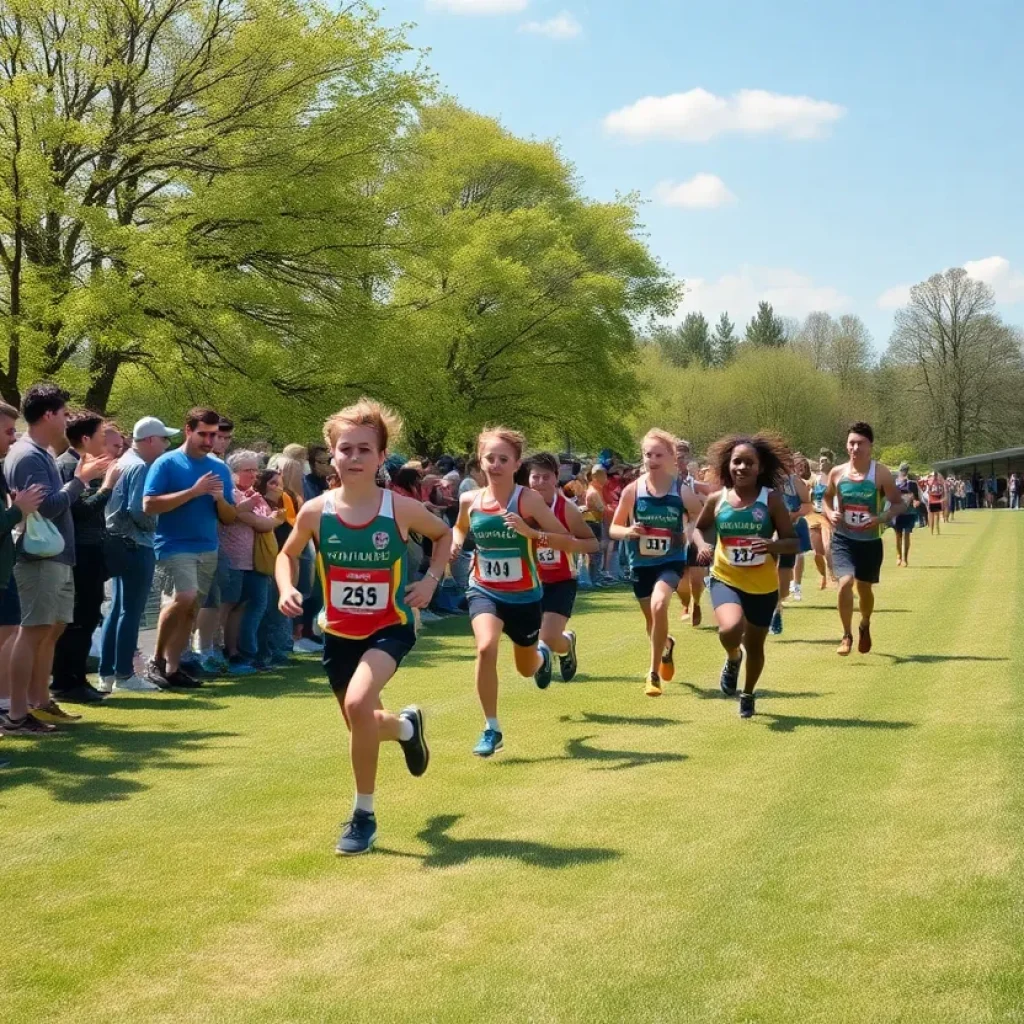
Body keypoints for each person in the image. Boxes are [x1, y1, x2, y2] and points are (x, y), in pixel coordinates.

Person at [277, 399, 451, 856]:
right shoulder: (316, 511)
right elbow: (286, 554)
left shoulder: (401, 509)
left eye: (364, 450)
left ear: (380, 457)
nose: (353, 458)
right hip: (338, 631)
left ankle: (363, 816)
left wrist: (431, 580)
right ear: (331, 455)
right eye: (345, 449)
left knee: (358, 703)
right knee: (360, 721)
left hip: (390, 627)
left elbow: (443, 535)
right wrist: (284, 588)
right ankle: (407, 729)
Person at [453, 427, 576, 758]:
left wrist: (531, 532)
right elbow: (461, 527)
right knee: (485, 646)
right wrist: (454, 543)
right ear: (480, 461)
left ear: (516, 463)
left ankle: (546, 654)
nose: (495, 465)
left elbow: (565, 539)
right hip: (484, 589)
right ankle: (491, 727)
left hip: (524, 597)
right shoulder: (470, 499)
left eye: (503, 459)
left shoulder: (528, 500)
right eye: (489, 458)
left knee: (526, 667)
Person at [4, 384, 110, 727]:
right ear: (49, 414)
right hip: (38, 558)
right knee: (31, 631)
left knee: (51, 628)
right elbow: (46, 508)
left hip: (55, 557)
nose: (67, 420)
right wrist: (81, 480)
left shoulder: (41, 453)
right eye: (64, 413)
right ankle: (18, 712)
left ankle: (40, 699)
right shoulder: (29, 455)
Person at [693, 434, 798, 718]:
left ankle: (749, 693)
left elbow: (792, 542)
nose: (741, 468)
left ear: (760, 468)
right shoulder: (717, 499)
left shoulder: (772, 501)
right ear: (728, 466)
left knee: (756, 645)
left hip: (763, 585)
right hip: (726, 577)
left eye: (748, 463)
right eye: (737, 462)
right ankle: (732, 657)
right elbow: (699, 528)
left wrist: (772, 545)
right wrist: (703, 545)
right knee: (730, 629)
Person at [142, 408, 236, 687]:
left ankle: (173, 667)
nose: (209, 441)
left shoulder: (219, 469)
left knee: (192, 607)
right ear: (188, 430)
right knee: (183, 597)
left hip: (208, 546)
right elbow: (149, 505)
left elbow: (230, 518)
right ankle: (156, 659)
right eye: (203, 434)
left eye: (214, 435)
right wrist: (193, 492)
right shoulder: (167, 463)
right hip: (173, 545)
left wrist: (219, 499)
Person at [609, 429, 702, 697]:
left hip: (670, 561)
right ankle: (666, 645)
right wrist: (628, 532)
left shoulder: (680, 491)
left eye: (659, 454)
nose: (652, 459)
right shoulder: (632, 491)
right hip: (640, 564)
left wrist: (689, 532)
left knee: (659, 603)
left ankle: (652, 674)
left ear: (672, 458)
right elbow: (614, 527)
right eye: (648, 454)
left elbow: (699, 516)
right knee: (652, 622)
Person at [99, 417, 179, 692]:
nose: (167, 445)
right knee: (130, 611)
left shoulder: (122, 462)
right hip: (135, 543)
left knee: (118, 610)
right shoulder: (141, 466)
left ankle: (108, 673)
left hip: (119, 542)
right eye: (164, 440)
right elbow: (139, 510)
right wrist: (158, 523)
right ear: (149, 440)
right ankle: (124, 675)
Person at [51, 412, 123, 703]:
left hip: (91, 550)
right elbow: (80, 512)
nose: (106, 441)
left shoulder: (82, 465)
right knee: (79, 618)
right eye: (101, 435)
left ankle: (77, 678)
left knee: (88, 615)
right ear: (86, 438)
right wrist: (107, 486)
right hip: (79, 551)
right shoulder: (69, 465)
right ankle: (67, 682)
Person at [822, 422, 906, 656]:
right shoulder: (837, 473)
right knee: (845, 583)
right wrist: (830, 513)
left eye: (860, 443)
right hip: (843, 539)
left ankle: (864, 624)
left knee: (865, 589)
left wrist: (880, 518)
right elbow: (826, 500)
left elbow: (899, 503)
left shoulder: (880, 473)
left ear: (870, 446)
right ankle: (846, 634)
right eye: (851, 443)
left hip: (869, 542)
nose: (855, 448)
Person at [527, 452, 599, 682]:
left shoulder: (566, 509)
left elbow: (593, 544)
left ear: (556, 478)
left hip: (561, 581)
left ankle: (545, 658)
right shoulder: (520, 507)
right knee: (539, 638)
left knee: (545, 638)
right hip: (528, 583)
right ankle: (567, 644)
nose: (539, 483)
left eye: (545, 477)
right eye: (535, 477)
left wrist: (567, 543)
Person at [0, 403, 45, 734]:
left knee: (11, 632)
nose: (13, 438)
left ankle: (6, 709)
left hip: (5, 568)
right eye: (7, 431)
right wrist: (17, 510)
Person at [770, 461, 811, 633]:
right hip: (768, 534)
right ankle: (770, 610)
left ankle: (778, 606)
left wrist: (794, 515)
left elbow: (808, 505)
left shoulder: (794, 482)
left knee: (785, 583)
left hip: (789, 533)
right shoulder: (764, 480)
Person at [806, 449, 835, 590]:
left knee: (828, 547)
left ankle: (832, 576)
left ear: (831, 462)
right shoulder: (816, 479)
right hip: (814, 516)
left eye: (824, 461)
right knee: (817, 552)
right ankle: (823, 576)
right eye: (820, 461)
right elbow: (809, 495)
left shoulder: (835, 478)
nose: (821, 463)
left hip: (828, 516)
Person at [892, 462, 920, 568]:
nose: (904, 472)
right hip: (898, 512)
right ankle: (899, 556)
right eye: (903, 470)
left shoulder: (912, 484)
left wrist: (915, 502)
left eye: (905, 470)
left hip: (909, 512)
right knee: (898, 535)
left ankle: (905, 558)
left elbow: (917, 498)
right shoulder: (894, 483)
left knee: (906, 535)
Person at [583, 465, 608, 586]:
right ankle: (595, 578)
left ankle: (594, 577)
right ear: (595, 477)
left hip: (594, 522)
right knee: (596, 552)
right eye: (603, 476)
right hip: (593, 523)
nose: (606, 479)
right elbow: (601, 508)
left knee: (594, 552)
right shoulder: (593, 492)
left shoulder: (595, 490)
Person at [923, 469, 947, 536]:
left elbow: (928, 490)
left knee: (931, 516)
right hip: (937, 500)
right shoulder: (940, 483)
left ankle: (931, 532)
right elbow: (942, 492)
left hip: (931, 500)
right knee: (937, 516)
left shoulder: (930, 482)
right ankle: (938, 531)